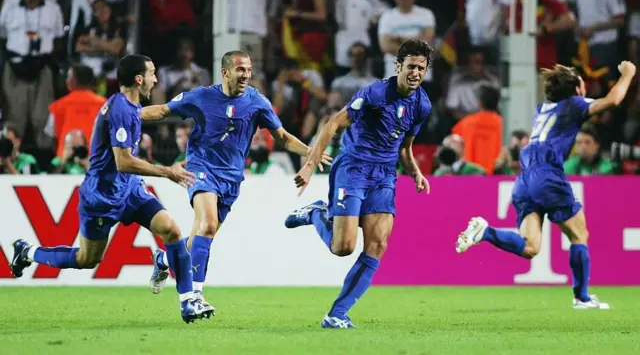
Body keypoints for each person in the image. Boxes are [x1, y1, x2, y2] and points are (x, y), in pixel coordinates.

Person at [9, 54, 211, 323]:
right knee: (86, 259)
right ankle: (28, 252)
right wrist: (167, 172)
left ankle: (188, 302)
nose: (156, 79)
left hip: (130, 191)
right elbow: (123, 161)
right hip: (102, 197)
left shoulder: (129, 106)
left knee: (172, 231)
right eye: (152, 74)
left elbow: (139, 132)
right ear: (139, 79)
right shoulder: (120, 110)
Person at [141, 50, 331, 315]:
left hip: (231, 178)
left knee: (200, 238)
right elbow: (162, 111)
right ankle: (194, 295)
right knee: (206, 225)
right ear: (225, 72)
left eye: (249, 70)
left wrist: (312, 153)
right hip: (201, 168)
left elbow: (283, 137)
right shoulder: (202, 96)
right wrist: (126, 116)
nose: (246, 75)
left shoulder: (257, 102)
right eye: (241, 70)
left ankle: (164, 258)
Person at [455, 62, 637, 309]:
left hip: (524, 178)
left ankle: (485, 232)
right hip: (547, 175)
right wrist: (628, 74)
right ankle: (581, 298)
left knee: (530, 247)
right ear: (576, 87)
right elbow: (613, 100)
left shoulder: (543, 109)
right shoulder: (573, 104)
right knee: (579, 234)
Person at [284, 40, 433, 328]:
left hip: (385, 174)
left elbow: (405, 145)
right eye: (411, 66)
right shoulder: (376, 93)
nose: (416, 73)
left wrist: (415, 171)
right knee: (342, 247)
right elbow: (333, 124)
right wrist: (310, 165)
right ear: (398, 65)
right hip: (353, 168)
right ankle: (316, 212)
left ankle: (337, 314)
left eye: (421, 68)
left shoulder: (422, 104)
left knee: (378, 244)